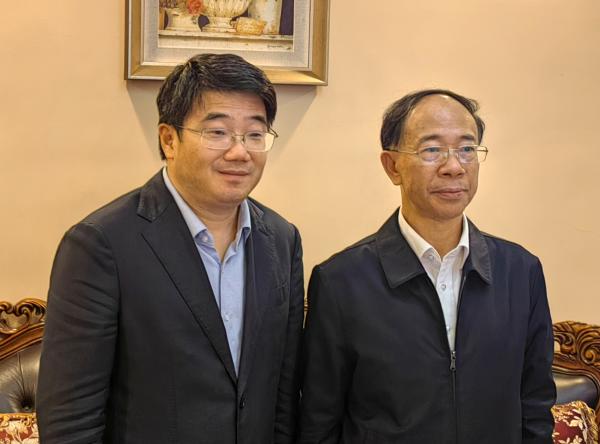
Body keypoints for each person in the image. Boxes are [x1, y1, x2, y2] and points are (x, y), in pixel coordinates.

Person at [37, 53, 304, 444]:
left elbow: (282, 396)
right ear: (169, 139)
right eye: (217, 132)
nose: (239, 152)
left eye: (254, 134)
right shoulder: (101, 244)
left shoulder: (282, 239)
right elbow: (70, 420)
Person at [298, 89, 556, 443]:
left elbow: (536, 408)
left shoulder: (520, 272)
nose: (454, 167)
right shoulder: (341, 282)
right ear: (392, 167)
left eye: (467, 149)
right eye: (432, 150)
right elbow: (319, 422)